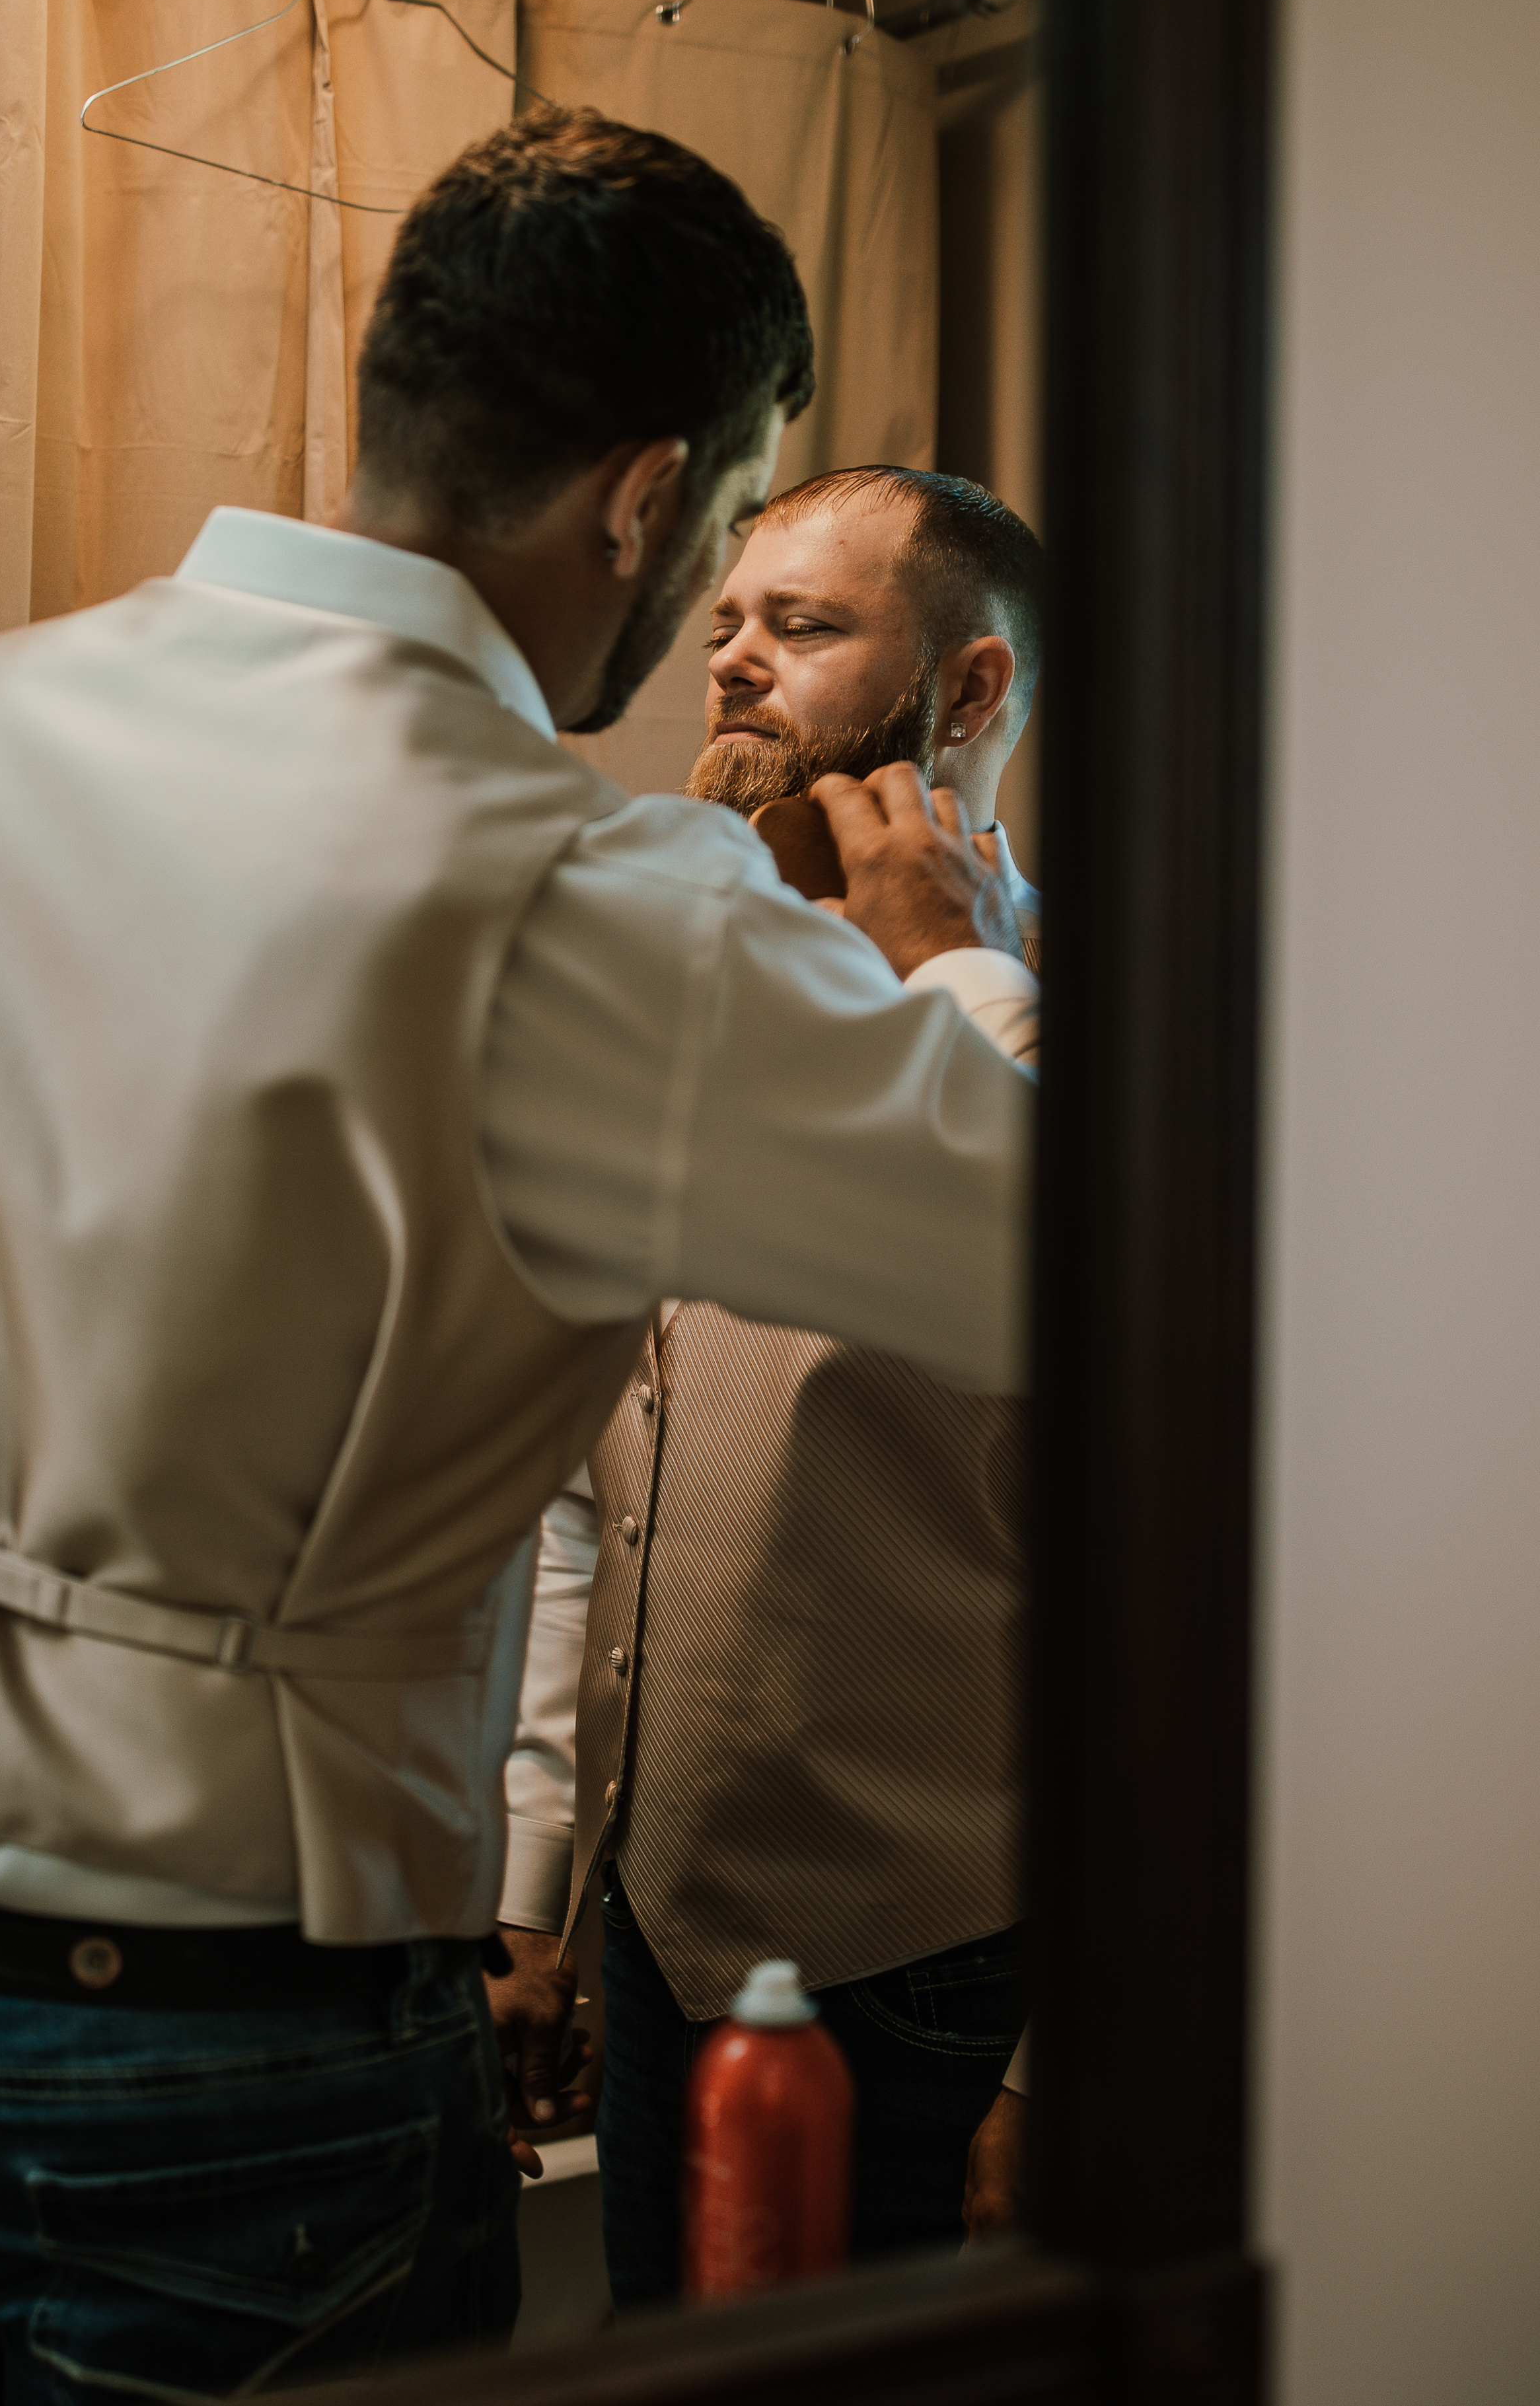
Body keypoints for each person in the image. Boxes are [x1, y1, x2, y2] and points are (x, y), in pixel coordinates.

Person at [0, 112, 1037, 2402]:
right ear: (640, 491)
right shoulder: (591, 916)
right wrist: (952, 970)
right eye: (717, 543)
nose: (713, 626)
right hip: (216, 2068)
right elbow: (1083, 1272)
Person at [488, 466, 1044, 2307]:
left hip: (939, 1970)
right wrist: (540, 1873)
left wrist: (1064, 2055)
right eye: (725, 618)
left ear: (964, 694)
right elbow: (595, 1475)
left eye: (802, 627)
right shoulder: (682, 1002)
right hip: (658, 1934)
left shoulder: (1113, 1019)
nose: (731, 661)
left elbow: (1185, 1578)